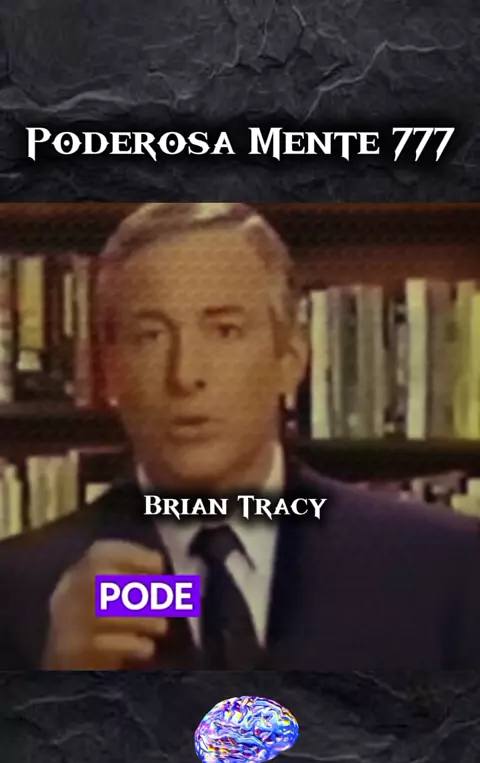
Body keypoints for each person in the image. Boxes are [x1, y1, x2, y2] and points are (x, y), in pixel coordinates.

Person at [0, 202, 479, 671]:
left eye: (225, 330)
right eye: (150, 336)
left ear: (289, 359)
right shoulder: (20, 591)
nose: (185, 374)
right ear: (111, 372)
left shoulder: (442, 567)